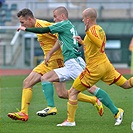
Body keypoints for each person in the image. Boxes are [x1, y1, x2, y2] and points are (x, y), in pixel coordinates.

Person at [16, 6, 124, 126]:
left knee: (91, 88)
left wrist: (25, 29)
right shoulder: (66, 26)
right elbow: (62, 39)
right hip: (68, 63)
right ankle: (52, 107)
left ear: (62, 16)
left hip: (74, 62)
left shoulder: (64, 24)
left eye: (55, 16)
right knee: (45, 78)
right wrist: (51, 53)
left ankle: (116, 111)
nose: (54, 19)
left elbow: (44, 30)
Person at [55, 8, 133, 126]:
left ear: (87, 19)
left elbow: (98, 43)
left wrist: (87, 32)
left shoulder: (92, 30)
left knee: (73, 91)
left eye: (83, 18)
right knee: (126, 84)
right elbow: (94, 46)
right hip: (105, 64)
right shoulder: (100, 29)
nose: (82, 20)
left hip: (95, 68)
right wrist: (82, 42)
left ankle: (70, 121)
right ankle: (117, 112)